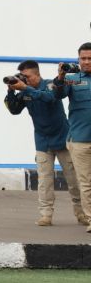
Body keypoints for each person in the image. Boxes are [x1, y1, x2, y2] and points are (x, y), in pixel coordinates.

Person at [5, 60, 87, 227]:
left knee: (74, 181)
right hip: (42, 141)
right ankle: (46, 215)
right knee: (44, 181)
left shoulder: (50, 85)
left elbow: (49, 98)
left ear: (37, 74)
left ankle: (81, 214)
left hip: (63, 139)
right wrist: (11, 90)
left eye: (27, 76)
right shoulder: (23, 90)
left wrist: (25, 88)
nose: (24, 79)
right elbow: (14, 110)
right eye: (22, 76)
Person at [54, 43, 91, 232]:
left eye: (90, 58)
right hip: (80, 141)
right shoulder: (71, 79)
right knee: (86, 182)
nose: (86, 62)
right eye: (83, 58)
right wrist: (60, 77)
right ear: (78, 59)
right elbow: (58, 94)